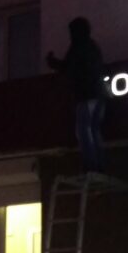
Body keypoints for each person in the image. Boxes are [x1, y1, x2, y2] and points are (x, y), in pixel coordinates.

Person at [47, 17, 106, 173]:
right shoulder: (93, 46)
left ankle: (90, 165)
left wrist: (52, 62)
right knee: (94, 130)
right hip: (99, 96)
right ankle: (99, 164)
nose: (70, 35)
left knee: (83, 130)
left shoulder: (79, 45)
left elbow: (68, 66)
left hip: (86, 95)